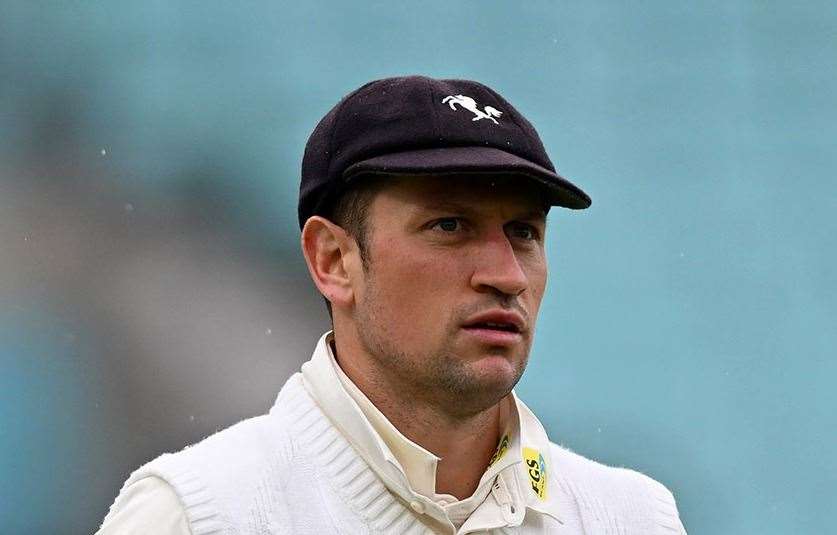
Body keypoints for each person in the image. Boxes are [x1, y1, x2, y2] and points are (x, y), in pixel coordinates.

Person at [97, 75, 687, 534]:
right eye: (450, 225)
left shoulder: (634, 519)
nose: (507, 275)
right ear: (332, 260)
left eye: (524, 232)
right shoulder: (198, 515)